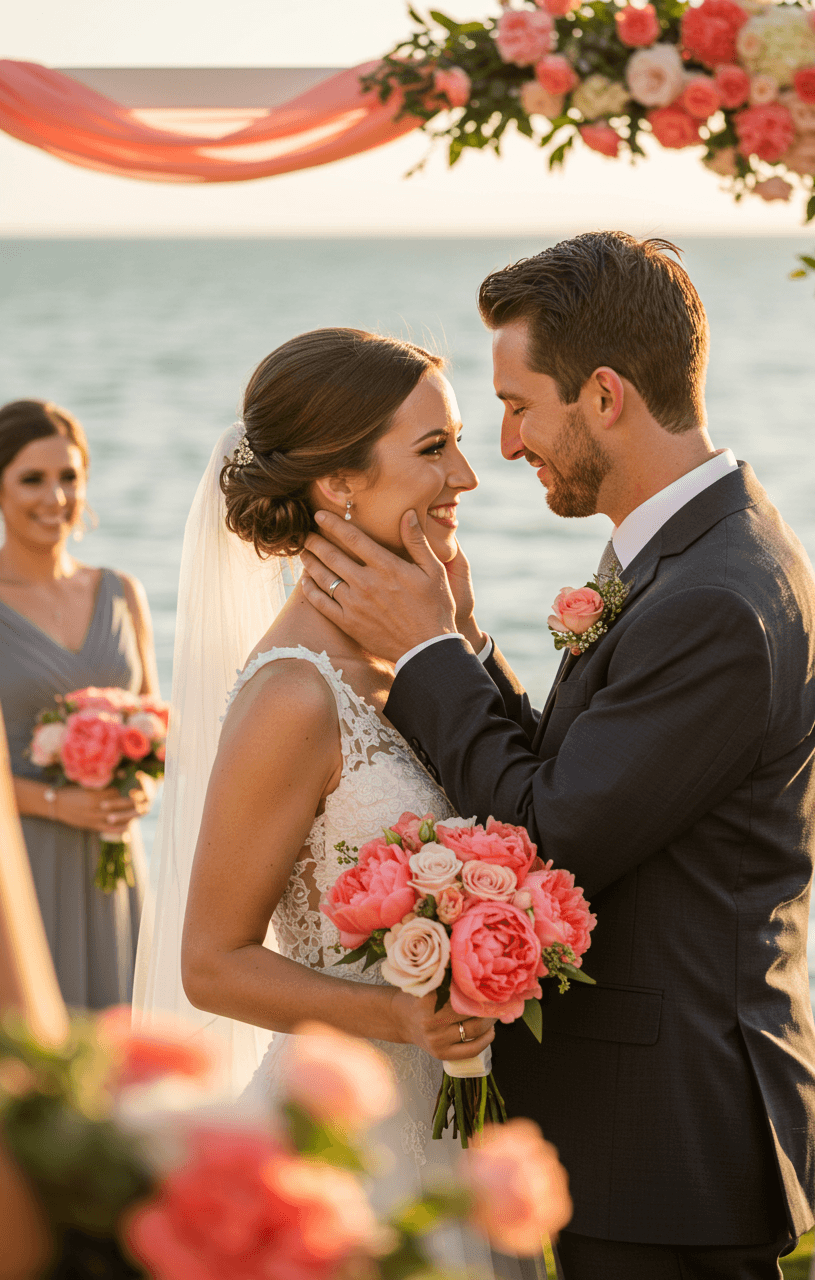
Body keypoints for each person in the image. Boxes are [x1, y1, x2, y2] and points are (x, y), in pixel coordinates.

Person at [297, 233, 815, 1280]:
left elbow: (546, 832)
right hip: (645, 1131)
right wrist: (466, 642)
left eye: (515, 403)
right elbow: (582, 770)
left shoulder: (715, 600)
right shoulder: (685, 552)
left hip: (668, 1138)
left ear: (601, 394)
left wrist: (422, 653)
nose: (501, 446)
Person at [138, 329, 544, 1279]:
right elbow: (212, 965)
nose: (468, 479)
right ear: (338, 486)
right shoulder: (293, 695)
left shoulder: (415, 657)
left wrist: (465, 637)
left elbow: (531, 807)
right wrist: (405, 1019)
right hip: (354, 1147)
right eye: (435, 448)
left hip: (459, 1131)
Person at [0, 399, 158, 1009]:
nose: (55, 497)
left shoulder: (121, 593)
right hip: (23, 863)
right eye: (32, 479)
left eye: (69, 477)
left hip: (113, 863)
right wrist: (59, 805)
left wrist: (144, 787)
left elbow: (153, 723)